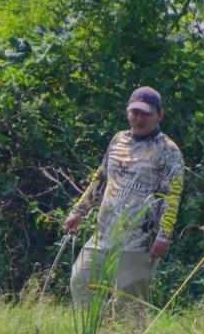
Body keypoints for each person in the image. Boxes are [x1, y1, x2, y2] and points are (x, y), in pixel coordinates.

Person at [63, 86, 184, 306]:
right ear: (127, 112)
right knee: (80, 280)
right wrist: (79, 211)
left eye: (146, 113)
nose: (139, 118)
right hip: (105, 232)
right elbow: (100, 178)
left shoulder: (168, 150)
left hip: (138, 240)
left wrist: (164, 236)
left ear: (159, 115)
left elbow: (172, 196)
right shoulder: (118, 140)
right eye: (135, 112)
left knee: (128, 304)